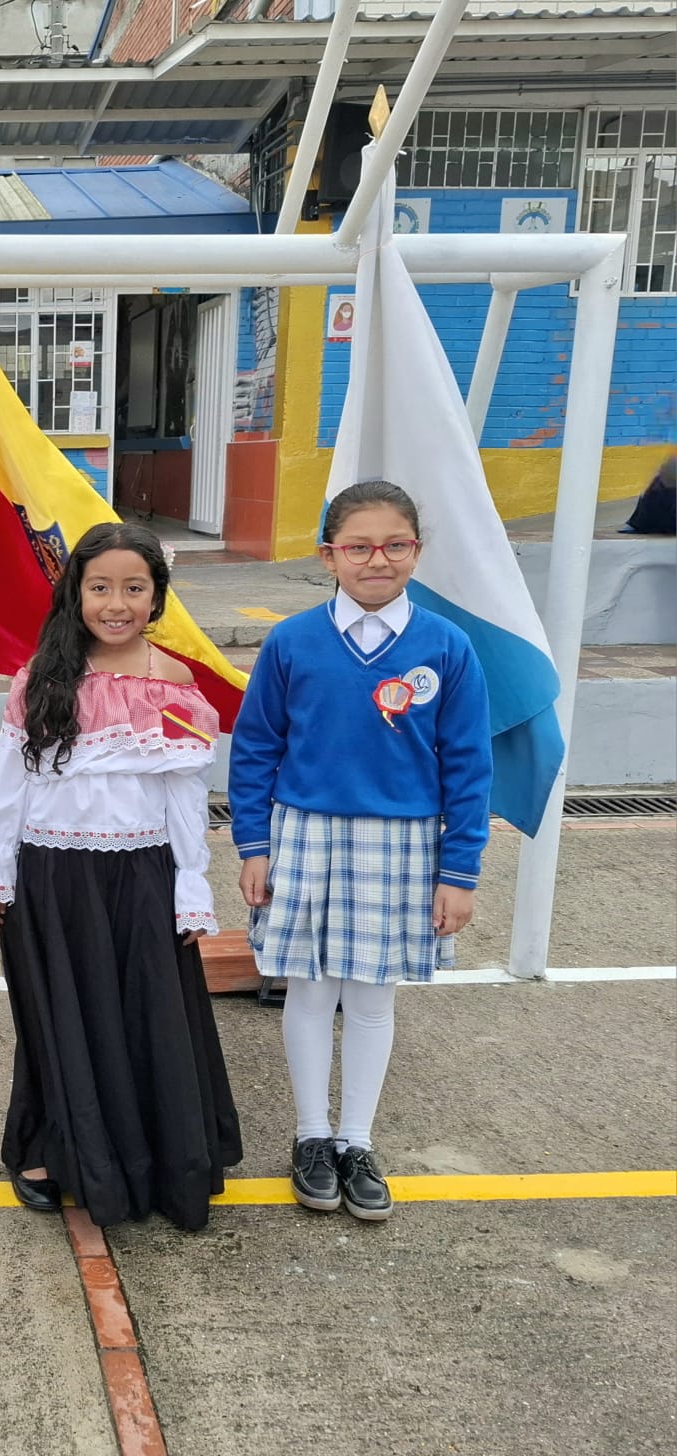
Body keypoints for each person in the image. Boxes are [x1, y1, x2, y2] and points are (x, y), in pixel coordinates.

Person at [229, 479, 492, 1222]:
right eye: (359, 546)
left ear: (417, 550)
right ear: (329, 555)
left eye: (395, 544)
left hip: (404, 839)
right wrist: (254, 844)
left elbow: (468, 762)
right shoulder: (293, 640)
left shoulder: (447, 646)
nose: (378, 559)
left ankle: (356, 1139)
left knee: (373, 996)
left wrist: (459, 869)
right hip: (304, 832)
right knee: (309, 988)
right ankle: (311, 1136)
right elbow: (255, 749)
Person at [0, 522, 242, 1229]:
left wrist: (192, 884)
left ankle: (156, 1158)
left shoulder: (176, 681)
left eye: (134, 588)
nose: (116, 602)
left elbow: (184, 792)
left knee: (146, 1012)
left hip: (143, 872)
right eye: (100, 587)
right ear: (76, 592)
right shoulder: (41, 677)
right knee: (57, 1016)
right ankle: (47, 1150)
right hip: (53, 875)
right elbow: (7, 785)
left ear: (157, 597)